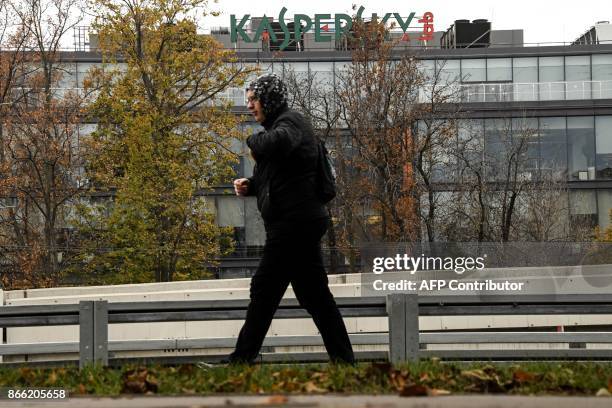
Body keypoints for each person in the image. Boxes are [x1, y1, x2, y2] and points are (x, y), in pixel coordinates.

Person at [230, 73, 355, 365]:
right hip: (299, 222)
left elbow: (276, 143)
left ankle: (241, 360)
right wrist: (250, 185)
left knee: (264, 289)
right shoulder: (282, 127)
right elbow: (275, 178)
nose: (249, 106)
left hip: (294, 224)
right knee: (315, 296)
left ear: (269, 100)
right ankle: (345, 362)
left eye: (253, 99)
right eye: (248, 100)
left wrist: (252, 139)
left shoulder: (291, 123)